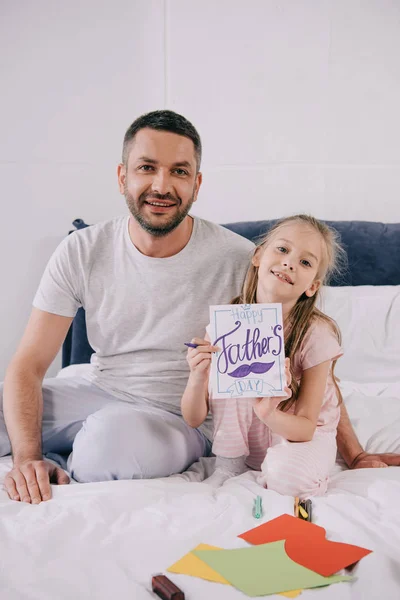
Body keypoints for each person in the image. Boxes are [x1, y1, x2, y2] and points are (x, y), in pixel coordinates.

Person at [1, 111, 398, 505]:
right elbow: (28, 365)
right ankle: (58, 451)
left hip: (179, 417)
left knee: (103, 448)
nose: (161, 185)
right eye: (146, 167)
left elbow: (313, 363)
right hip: (100, 387)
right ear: (123, 176)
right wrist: (28, 457)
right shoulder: (82, 249)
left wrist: (356, 453)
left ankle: (75, 449)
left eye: (179, 171)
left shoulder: (245, 261)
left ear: (196, 184)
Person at [182, 215, 400, 496]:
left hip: (298, 436)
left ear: (312, 286)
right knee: (237, 366)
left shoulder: (316, 335)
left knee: (289, 478)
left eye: (305, 262)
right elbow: (193, 418)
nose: (289, 263)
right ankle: (229, 466)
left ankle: (280, 472)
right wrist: (197, 376)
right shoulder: (227, 325)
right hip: (245, 449)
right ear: (258, 256)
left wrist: (269, 412)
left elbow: (307, 429)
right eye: (282, 250)